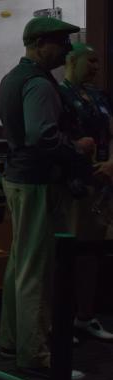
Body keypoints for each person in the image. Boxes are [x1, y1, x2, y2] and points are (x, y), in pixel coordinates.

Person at [0, 16, 92, 380]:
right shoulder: (38, 83)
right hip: (38, 181)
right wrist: (77, 147)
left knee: (20, 264)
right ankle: (34, 354)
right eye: (60, 43)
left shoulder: (12, 78)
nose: (66, 50)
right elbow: (43, 136)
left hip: (18, 178)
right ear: (38, 44)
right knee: (36, 270)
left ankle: (11, 338)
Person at [57, 42, 113, 342]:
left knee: (92, 253)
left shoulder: (99, 96)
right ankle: (60, 319)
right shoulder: (59, 96)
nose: (95, 67)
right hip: (71, 187)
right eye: (90, 61)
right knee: (67, 253)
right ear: (71, 61)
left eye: (97, 62)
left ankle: (85, 316)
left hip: (101, 185)